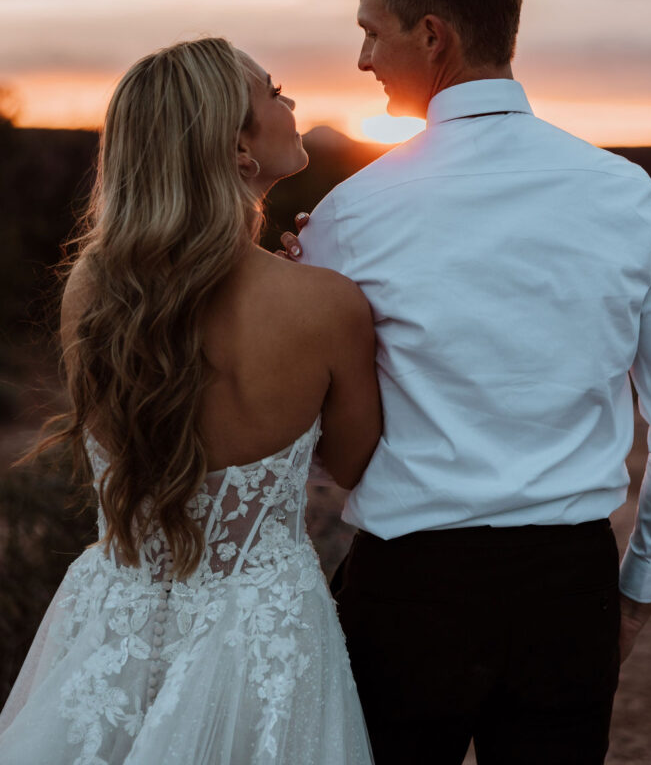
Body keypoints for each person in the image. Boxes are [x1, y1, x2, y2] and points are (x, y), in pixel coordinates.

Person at [281, 0, 651, 765]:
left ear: (434, 36)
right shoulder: (631, 199)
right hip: (567, 590)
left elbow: (306, 419)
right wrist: (637, 592)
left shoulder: (348, 217)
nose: (361, 59)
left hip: (408, 591)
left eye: (369, 31)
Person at [0, 37, 381, 765]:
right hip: (262, 629)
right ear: (238, 148)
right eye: (273, 91)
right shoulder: (327, 304)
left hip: (112, 618)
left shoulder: (93, 290)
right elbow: (352, 462)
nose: (291, 102)